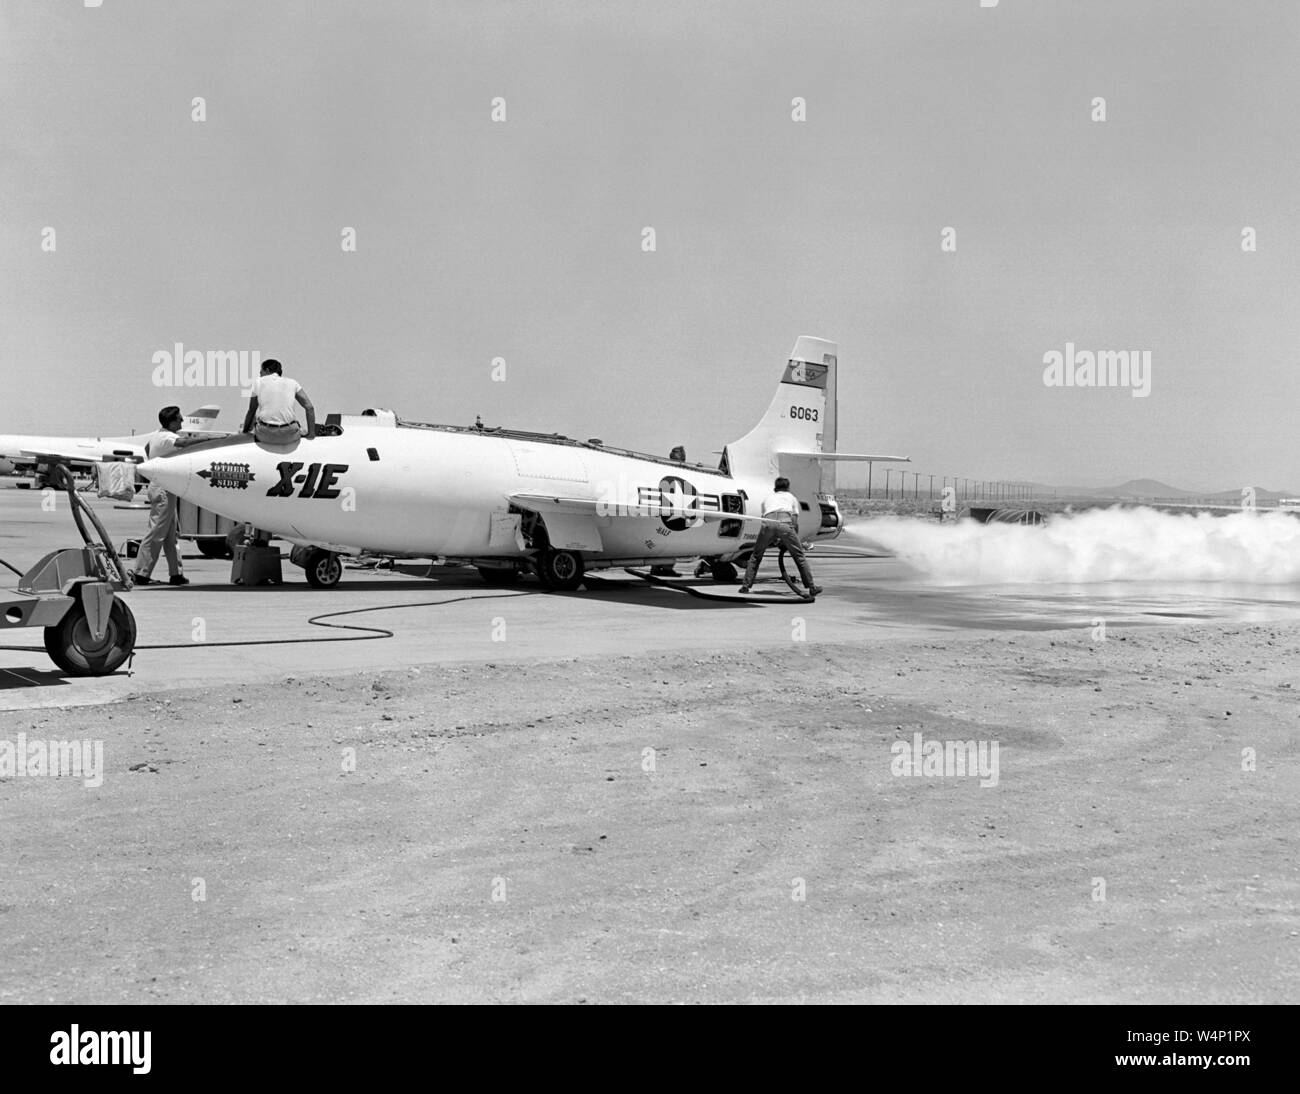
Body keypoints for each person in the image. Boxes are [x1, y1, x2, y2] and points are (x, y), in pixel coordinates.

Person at [131, 406, 200, 586]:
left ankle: (176, 573)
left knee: (170, 534)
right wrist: (208, 440)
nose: (182, 421)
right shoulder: (168, 437)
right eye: (179, 419)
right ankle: (141, 573)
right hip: (163, 489)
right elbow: (184, 443)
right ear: (171, 422)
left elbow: (147, 448)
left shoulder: (157, 436)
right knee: (156, 532)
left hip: (164, 487)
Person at [739, 476, 823, 596]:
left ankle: (745, 586)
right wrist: (791, 540)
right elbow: (793, 522)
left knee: (756, 556)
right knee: (799, 556)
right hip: (785, 523)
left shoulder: (767, 498)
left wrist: (775, 538)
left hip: (767, 524)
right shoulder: (792, 498)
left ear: (775, 488)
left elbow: (766, 519)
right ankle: (811, 587)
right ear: (788, 488)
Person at [242, 358, 315, 444]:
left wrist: (244, 432)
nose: (260, 375)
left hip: (265, 435)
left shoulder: (258, 382)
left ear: (267, 370)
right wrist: (311, 434)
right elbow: (309, 407)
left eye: (261, 372)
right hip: (289, 436)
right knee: (301, 428)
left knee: (255, 418)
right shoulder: (293, 383)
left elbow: (252, 410)